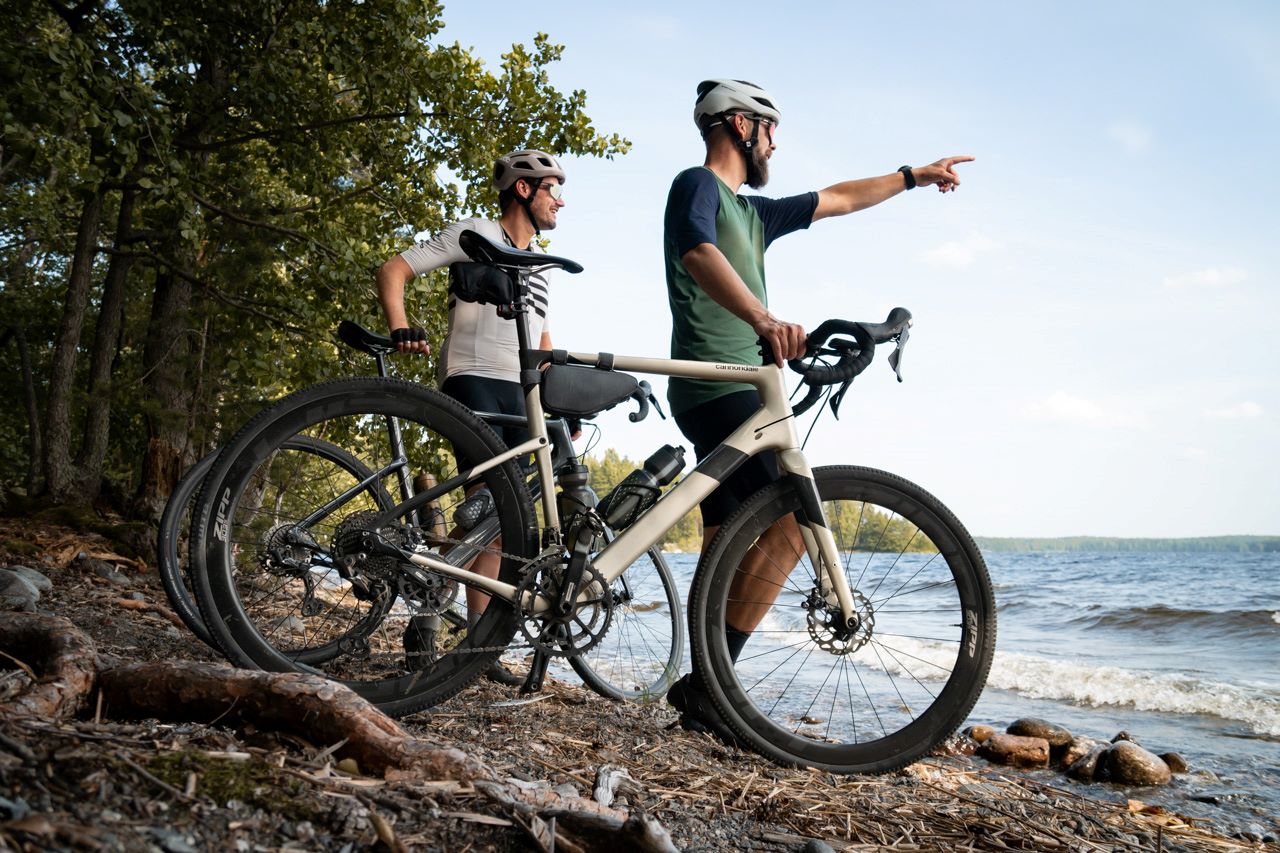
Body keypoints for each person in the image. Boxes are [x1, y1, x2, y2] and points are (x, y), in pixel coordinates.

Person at [662, 78, 973, 741]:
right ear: (741, 126)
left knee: (725, 537)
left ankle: (705, 681)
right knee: (788, 525)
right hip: (721, 383)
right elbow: (696, 251)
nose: (775, 142)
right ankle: (713, 690)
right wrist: (763, 317)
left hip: (730, 384)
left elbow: (837, 199)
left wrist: (913, 176)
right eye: (770, 128)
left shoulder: (755, 213)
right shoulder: (698, 186)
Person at [375, 148, 568, 685]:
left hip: (520, 390)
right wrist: (400, 326)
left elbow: (543, 340)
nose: (561, 200)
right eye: (552, 187)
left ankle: (457, 628)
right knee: (488, 511)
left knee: (501, 523)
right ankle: (464, 636)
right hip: (474, 377)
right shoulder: (475, 232)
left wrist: (557, 402)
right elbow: (394, 269)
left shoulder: (543, 267)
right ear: (524, 190)